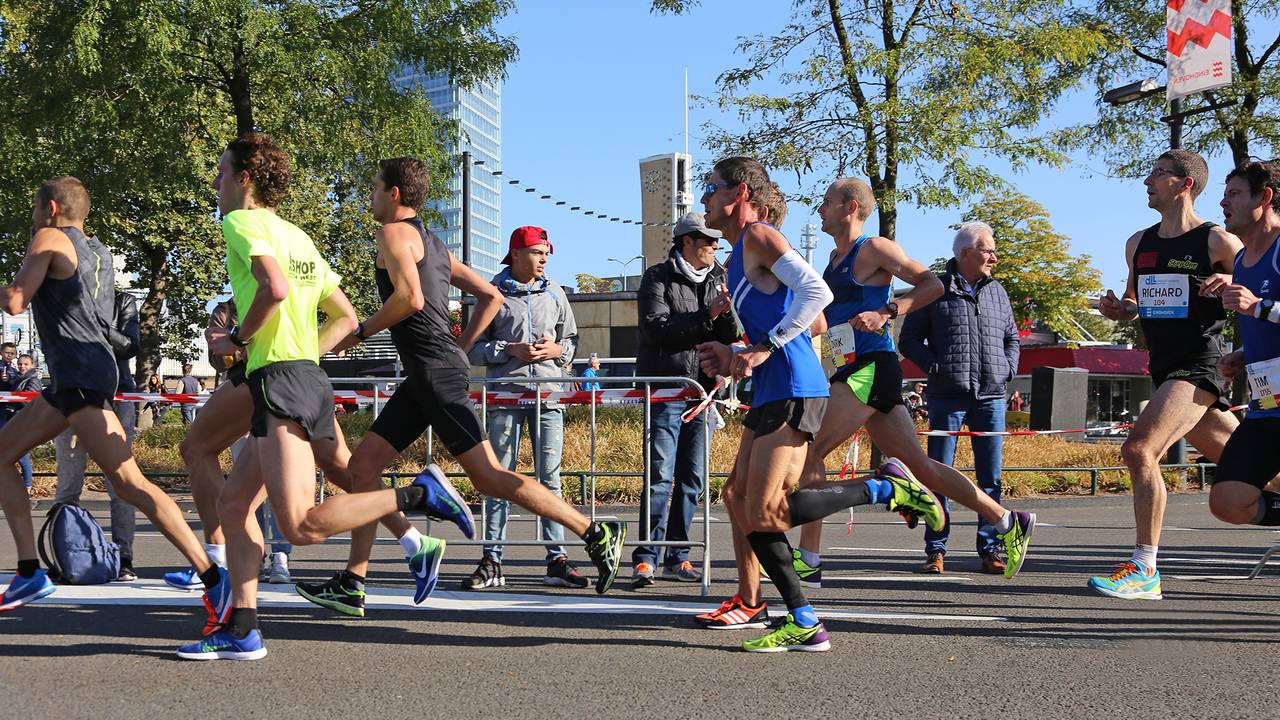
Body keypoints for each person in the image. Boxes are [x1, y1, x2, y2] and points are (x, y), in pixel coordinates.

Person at [298, 157, 624, 616]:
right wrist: (461, 346)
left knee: (488, 477)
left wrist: (362, 332)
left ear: (394, 194)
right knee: (361, 471)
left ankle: (593, 532)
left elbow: (409, 298)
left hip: (433, 373)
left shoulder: (392, 234)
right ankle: (356, 579)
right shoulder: (433, 243)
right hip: (430, 372)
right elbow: (492, 296)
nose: (369, 197)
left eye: (374, 188)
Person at [690, 158, 946, 652]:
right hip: (772, 383)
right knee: (739, 500)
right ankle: (788, 614)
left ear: (738, 193)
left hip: (793, 384)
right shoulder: (738, 253)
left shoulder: (761, 237)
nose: (703, 199)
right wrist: (736, 352)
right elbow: (795, 321)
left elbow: (817, 291)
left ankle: (883, 489)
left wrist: (764, 347)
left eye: (709, 188)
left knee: (767, 509)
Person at [0, 176, 229, 630]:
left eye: (33, 207)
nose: (30, 215)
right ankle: (29, 572)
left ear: (49, 208)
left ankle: (214, 577)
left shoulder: (48, 236)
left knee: (129, 483)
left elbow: (14, 300)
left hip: (80, 375)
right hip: (78, 375)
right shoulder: (95, 250)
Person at [1090, 149, 1243, 600]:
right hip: (1163, 366)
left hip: (1199, 366)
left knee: (1139, 450)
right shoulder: (1139, 242)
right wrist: (1121, 310)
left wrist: (1233, 290)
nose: (1147, 180)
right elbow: (1138, 302)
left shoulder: (1217, 241)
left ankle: (1145, 569)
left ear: (1185, 184)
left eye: (1158, 174)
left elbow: (1260, 294)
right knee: (1253, 467)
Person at [465, 225, 589, 590]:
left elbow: (571, 340)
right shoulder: (492, 294)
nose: (544, 259)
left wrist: (557, 352)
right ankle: (492, 559)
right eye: (537, 252)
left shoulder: (555, 293)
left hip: (549, 398)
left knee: (550, 479)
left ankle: (557, 559)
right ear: (516, 254)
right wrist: (508, 351)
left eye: (546, 253)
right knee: (498, 479)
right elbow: (471, 347)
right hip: (505, 397)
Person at [899, 221, 1021, 574]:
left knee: (991, 478)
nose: (994, 257)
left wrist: (1007, 369)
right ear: (966, 253)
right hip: (947, 396)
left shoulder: (998, 291)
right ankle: (935, 550)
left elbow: (1012, 337)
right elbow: (908, 342)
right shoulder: (933, 289)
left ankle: (991, 549)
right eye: (988, 250)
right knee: (937, 474)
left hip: (992, 396)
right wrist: (937, 368)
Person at [630, 211, 737, 589]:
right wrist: (707, 314)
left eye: (716, 241)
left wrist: (726, 316)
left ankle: (679, 555)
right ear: (687, 241)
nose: (714, 246)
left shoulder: (718, 277)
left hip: (703, 391)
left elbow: (730, 333)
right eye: (707, 240)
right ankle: (645, 558)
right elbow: (656, 329)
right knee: (659, 476)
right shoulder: (657, 277)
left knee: (692, 477)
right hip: (664, 389)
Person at [1207, 161, 1280, 531]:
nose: (1223, 202)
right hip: (1267, 405)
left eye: (1234, 193)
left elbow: (1262, 310)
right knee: (1228, 501)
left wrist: (1259, 307)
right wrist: (1243, 354)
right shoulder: (1240, 259)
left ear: (1264, 197)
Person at [53, 287, 143, 581]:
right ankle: (65, 556)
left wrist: (96, 325)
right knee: (68, 482)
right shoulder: (65, 296)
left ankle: (124, 557)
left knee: (122, 484)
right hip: (72, 392)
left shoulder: (124, 301)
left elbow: (130, 346)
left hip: (117, 396)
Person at [1, 343, 35, 504]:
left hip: (21, 421)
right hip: (13, 419)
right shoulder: (17, 376)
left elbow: (29, 401)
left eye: (25, 364)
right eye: (20, 363)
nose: (22, 366)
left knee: (22, 457)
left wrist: (13, 399)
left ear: (32, 365)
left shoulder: (32, 379)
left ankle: (27, 490)